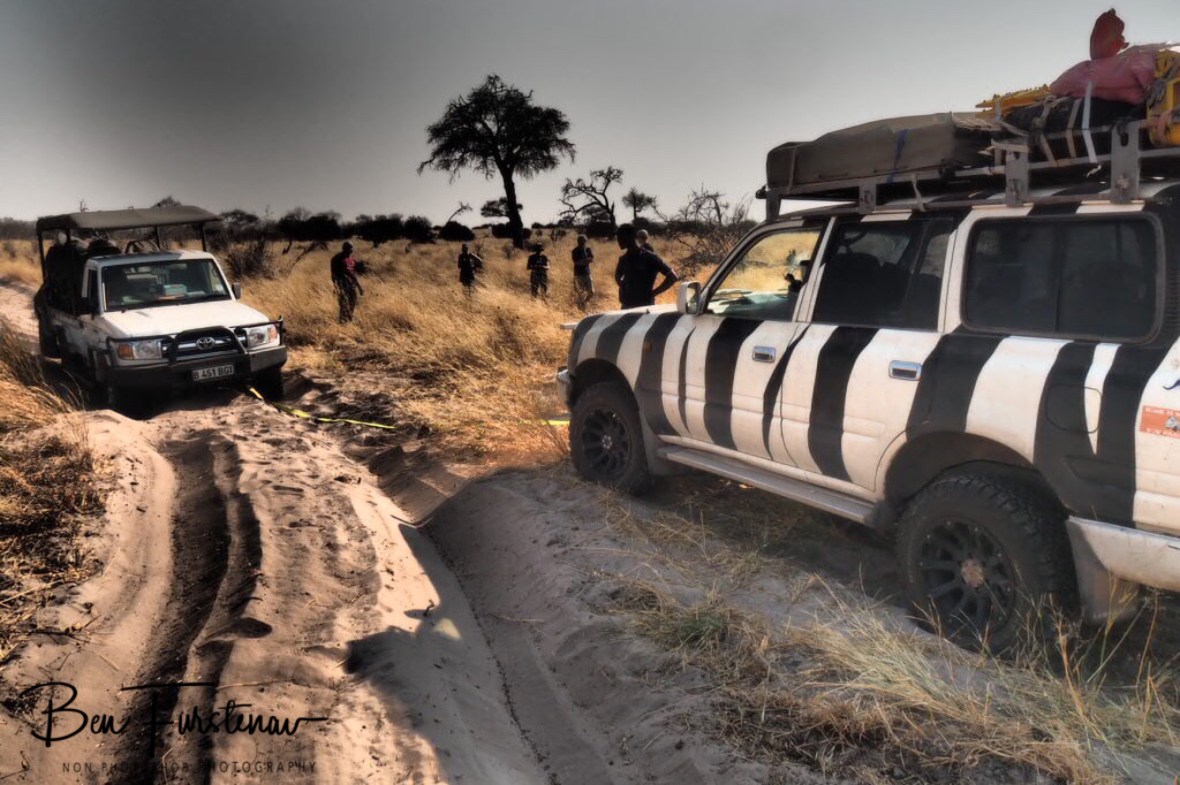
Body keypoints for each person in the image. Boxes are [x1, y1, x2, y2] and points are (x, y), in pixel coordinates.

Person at [614, 223, 678, 309]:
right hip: (626, 306)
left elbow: (672, 277)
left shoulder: (649, 257)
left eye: (622, 237)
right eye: (618, 237)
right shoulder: (623, 259)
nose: (619, 240)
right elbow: (618, 274)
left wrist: (653, 293)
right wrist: (622, 285)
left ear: (632, 236)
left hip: (644, 307)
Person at [330, 241, 364, 323]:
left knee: (352, 303)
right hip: (342, 284)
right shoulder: (337, 259)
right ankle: (342, 321)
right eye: (348, 248)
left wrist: (358, 286)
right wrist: (336, 286)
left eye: (351, 248)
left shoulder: (351, 259)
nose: (350, 250)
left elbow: (354, 273)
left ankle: (349, 319)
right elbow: (335, 274)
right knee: (343, 304)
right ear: (343, 248)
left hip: (351, 285)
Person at [571, 234, 594, 308]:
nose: (582, 243)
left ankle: (584, 302)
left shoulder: (588, 249)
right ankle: (581, 307)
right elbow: (577, 263)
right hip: (578, 274)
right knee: (580, 293)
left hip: (587, 273)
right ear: (578, 242)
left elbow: (592, 259)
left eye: (583, 241)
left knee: (591, 292)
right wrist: (585, 261)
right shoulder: (575, 251)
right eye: (580, 241)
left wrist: (584, 261)